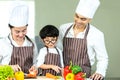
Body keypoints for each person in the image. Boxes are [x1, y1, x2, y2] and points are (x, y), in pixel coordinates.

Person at [57, 0, 108, 80]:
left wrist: (100, 72)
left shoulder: (96, 34)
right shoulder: (63, 28)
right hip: (64, 74)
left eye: (83, 19)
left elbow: (103, 58)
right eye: (77, 16)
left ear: (90, 19)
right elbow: (58, 50)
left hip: (83, 76)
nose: (78, 21)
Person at [0, 4, 38, 74]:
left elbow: (36, 62)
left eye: (24, 30)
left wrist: (35, 68)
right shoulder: (2, 43)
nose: (21, 35)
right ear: (10, 29)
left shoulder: (31, 43)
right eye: (17, 31)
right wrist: (8, 67)